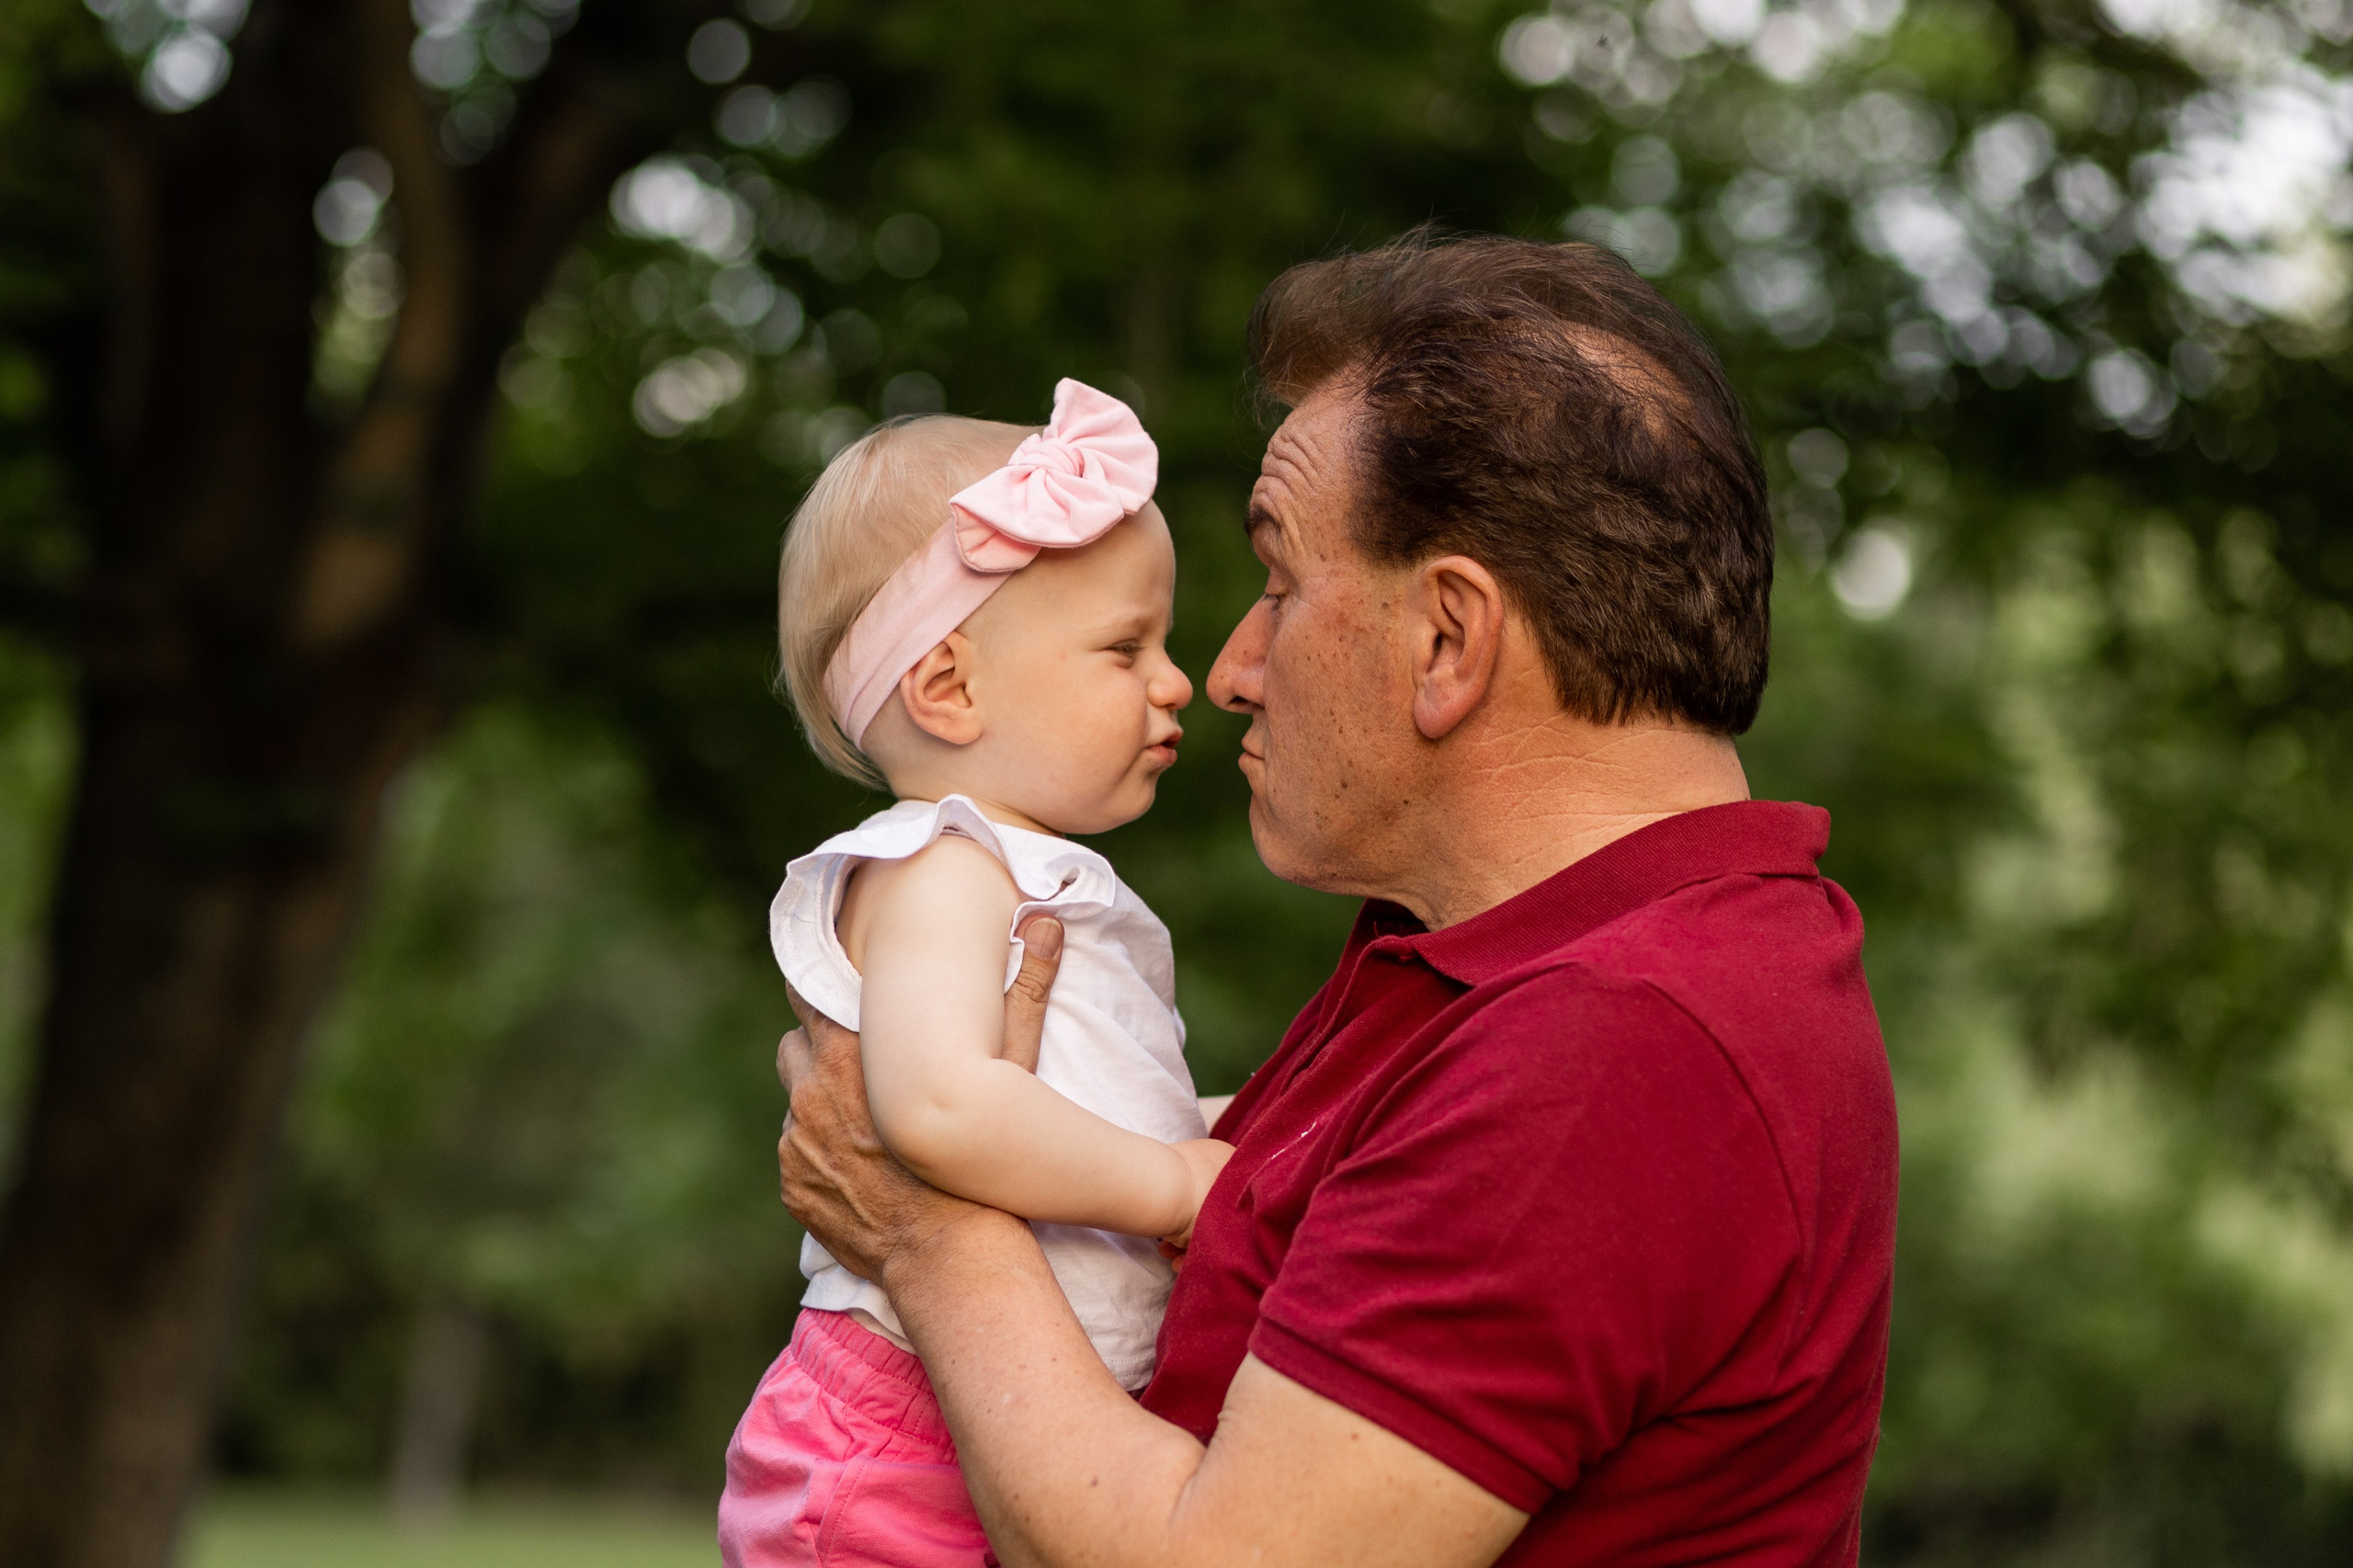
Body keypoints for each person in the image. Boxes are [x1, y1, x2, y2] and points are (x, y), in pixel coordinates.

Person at [776, 233, 1900, 1568]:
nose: (1230, 671)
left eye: (1280, 584)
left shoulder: (1618, 1043)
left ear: (1447, 638)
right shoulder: (1480, 965)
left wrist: (928, 1232)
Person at [722, 381, 1234, 1567]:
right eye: (1126, 648)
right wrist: (1174, 1186)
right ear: (949, 687)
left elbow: (1089, 1113)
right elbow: (942, 1108)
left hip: (1001, 1415)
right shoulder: (939, 868)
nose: (1176, 682)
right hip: (898, 1441)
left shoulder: (1026, 877)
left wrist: (1230, 1141)